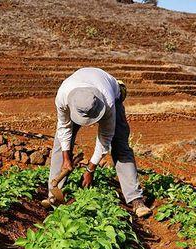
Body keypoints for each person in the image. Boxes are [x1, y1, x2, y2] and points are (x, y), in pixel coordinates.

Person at [42, 67, 152, 218]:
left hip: (112, 94)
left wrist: (90, 169)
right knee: (60, 145)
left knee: (120, 146)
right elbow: (64, 128)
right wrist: (66, 160)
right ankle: (53, 195)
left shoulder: (107, 101)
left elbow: (106, 136)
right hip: (78, 93)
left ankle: (136, 199)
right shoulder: (63, 95)